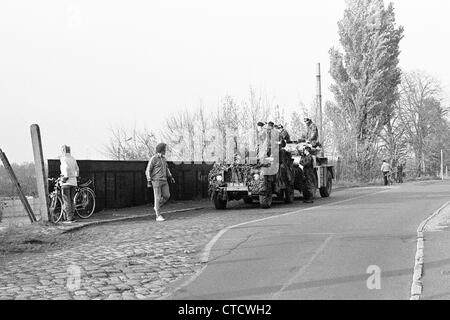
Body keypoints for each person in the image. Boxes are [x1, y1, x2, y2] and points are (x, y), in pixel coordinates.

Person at [146, 143, 175, 222]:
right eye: (164, 149)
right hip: (156, 180)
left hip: (164, 180)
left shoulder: (164, 159)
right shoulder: (154, 158)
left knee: (167, 195)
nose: (165, 151)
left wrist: (170, 176)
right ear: (161, 150)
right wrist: (149, 180)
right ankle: (158, 215)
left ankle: (157, 206)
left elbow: (166, 168)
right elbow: (148, 170)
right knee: (157, 197)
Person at [59, 145, 79, 223]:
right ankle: (72, 216)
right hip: (74, 182)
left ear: (63, 151)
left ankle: (69, 218)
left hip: (66, 182)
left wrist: (65, 177)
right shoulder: (73, 159)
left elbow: (66, 167)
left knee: (66, 200)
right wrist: (75, 176)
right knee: (71, 200)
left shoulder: (63, 158)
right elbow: (77, 169)